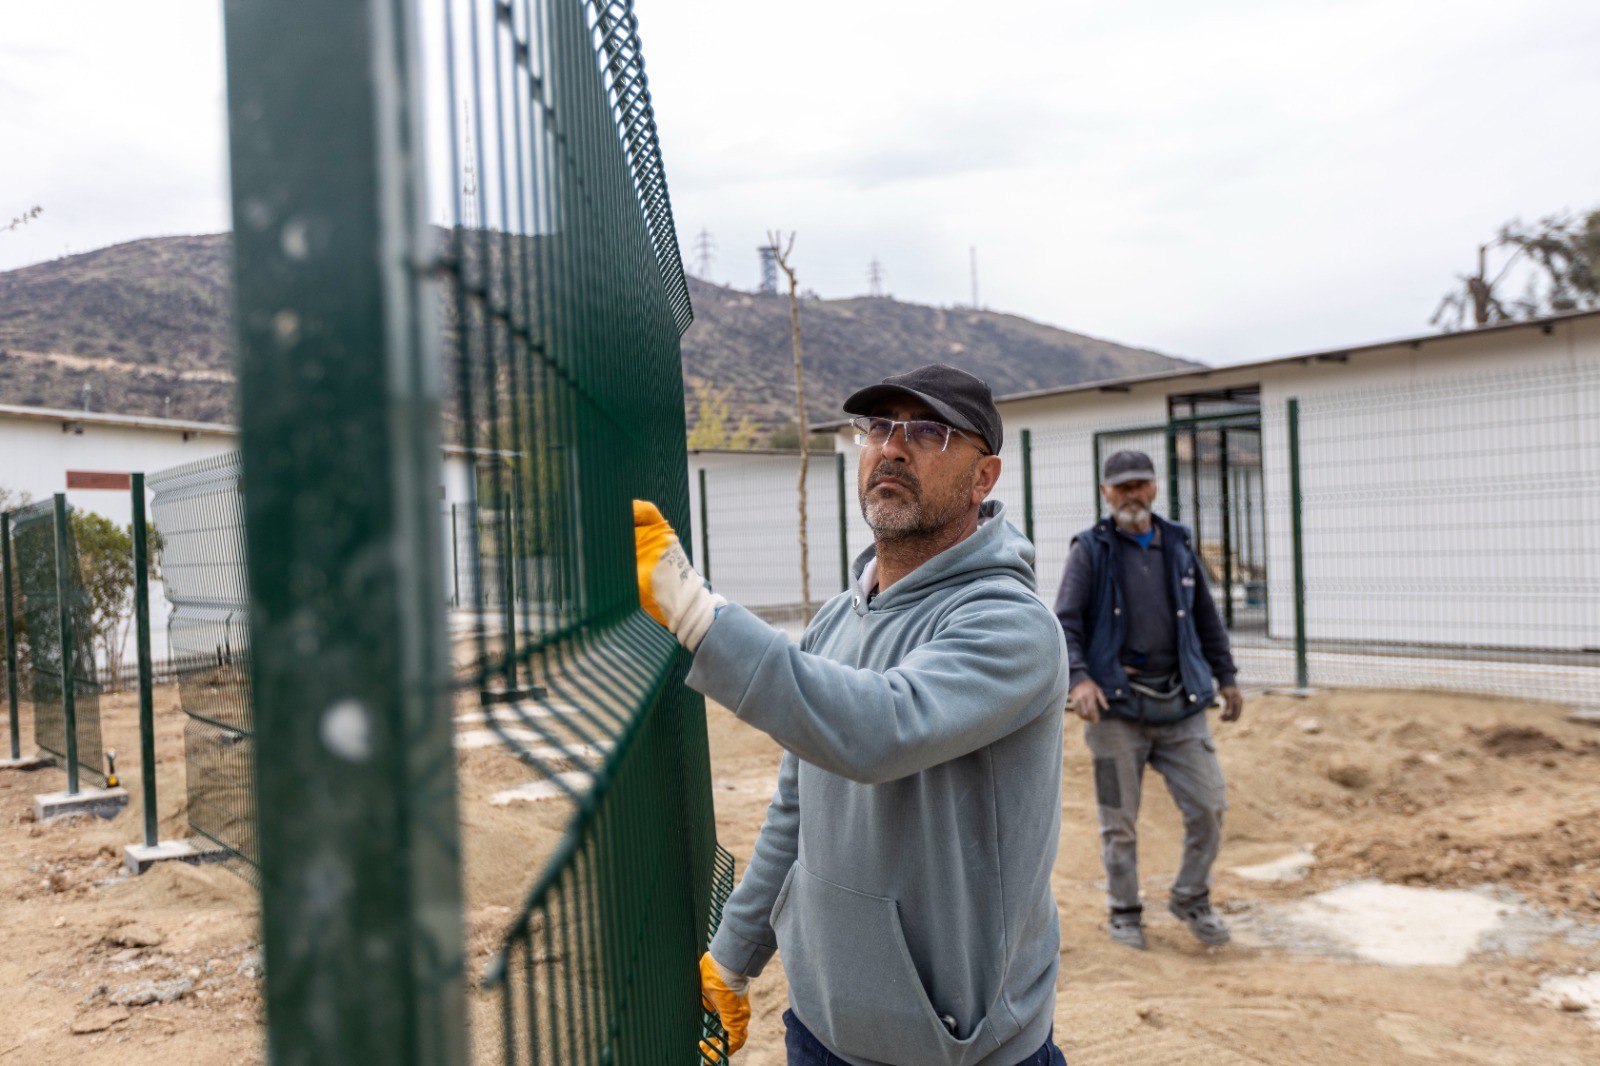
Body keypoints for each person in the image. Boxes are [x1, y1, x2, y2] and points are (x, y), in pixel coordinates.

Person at [634, 364, 1070, 1066]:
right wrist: (733, 956)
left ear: (983, 478)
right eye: (879, 428)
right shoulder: (839, 618)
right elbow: (796, 808)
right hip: (820, 1032)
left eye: (929, 432)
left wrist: (694, 612)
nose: (893, 448)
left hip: (957, 1051)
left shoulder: (1011, 627)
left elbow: (878, 730)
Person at [1053, 449, 1243, 952]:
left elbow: (1206, 619)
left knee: (1209, 806)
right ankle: (1125, 912)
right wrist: (1079, 680)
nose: (1132, 494)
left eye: (1140, 483)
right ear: (1105, 493)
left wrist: (1225, 676)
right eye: (1121, 486)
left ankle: (1191, 897)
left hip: (1180, 707)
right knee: (1118, 820)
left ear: (1155, 487)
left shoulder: (1178, 544)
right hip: (1115, 712)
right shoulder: (1089, 550)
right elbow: (1066, 622)